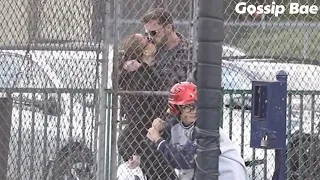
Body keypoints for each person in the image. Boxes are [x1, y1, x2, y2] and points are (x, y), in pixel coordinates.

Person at [146, 81, 250, 180]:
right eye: (188, 107)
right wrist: (158, 130)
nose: (194, 111)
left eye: (196, 106)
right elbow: (151, 147)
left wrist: (159, 140)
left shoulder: (207, 129)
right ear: (177, 108)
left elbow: (186, 160)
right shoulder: (174, 125)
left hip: (228, 175)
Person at [117, 33, 178, 179]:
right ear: (144, 51)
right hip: (145, 139)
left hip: (150, 136)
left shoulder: (147, 70)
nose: (152, 41)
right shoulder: (140, 76)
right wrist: (137, 151)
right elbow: (140, 116)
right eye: (149, 41)